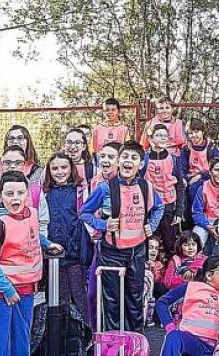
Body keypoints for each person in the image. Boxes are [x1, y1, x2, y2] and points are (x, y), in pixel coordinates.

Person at [80, 141, 164, 332]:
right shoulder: (105, 188)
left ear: (141, 164)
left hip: (137, 251)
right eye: (125, 157)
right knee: (112, 302)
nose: (128, 161)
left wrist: (152, 225)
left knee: (135, 299)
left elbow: (159, 207)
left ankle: (135, 342)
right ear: (119, 161)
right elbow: (84, 212)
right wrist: (103, 225)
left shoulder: (146, 187)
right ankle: (114, 345)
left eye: (134, 158)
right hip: (112, 252)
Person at [0, 171, 63, 356]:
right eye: (9, 194)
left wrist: (47, 243)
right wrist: (7, 290)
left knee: (22, 339)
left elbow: (31, 233)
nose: (15, 198)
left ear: (27, 194)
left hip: (27, 289)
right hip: (1, 293)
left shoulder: (32, 214)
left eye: (20, 193)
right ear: (0, 196)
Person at [42, 152, 91, 342]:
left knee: (80, 297)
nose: (59, 172)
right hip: (53, 256)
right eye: (55, 168)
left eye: (64, 167)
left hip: (76, 255)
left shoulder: (79, 191)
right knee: (58, 299)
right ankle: (60, 339)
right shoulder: (44, 192)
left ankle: (86, 337)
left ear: (71, 169)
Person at [157, 256, 219, 356]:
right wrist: (169, 325)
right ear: (209, 275)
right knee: (173, 337)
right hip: (190, 341)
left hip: (215, 349)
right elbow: (161, 302)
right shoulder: (191, 287)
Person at [144, 124, 183, 254]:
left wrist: (178, 211)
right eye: (159, 135)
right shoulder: (144, 158)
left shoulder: (174, 159)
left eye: (164, 135)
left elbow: (179, 185)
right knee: (150, 242)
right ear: (152, 138)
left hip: (168, 206)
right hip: (150, 207)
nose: (162, 138)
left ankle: (169, 270)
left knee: (169, 243)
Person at [178, 118, 219, 206]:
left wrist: (201, 175)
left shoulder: (211, 147)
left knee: (197, 188)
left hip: (209, 177)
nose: (193, 135)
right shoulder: (186, 148)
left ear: (202, 132)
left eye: (196, 132)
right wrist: (183, 178)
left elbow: (218, 167)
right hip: (191, 177)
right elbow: (182, 166)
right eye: (190, 133)